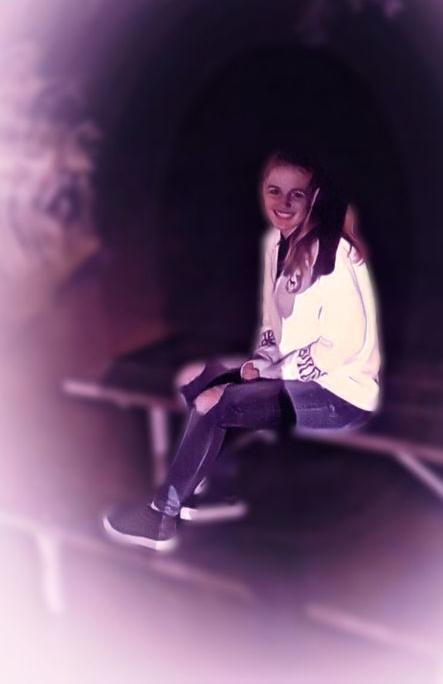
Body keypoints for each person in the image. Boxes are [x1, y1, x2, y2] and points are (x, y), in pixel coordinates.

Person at [102, 148, 382, 551]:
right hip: (294, 378)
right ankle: (216, 489)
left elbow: (344, 344)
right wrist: (262, 363)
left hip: (340, 394)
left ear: (315, 197)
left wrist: (274, 373)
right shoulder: (276, 245)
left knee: (218, 401)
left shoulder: (331, 251)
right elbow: (273, 327)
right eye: (274, 190)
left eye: (297, 194)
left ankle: (160, 517)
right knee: (198, 379)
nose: (283, 203)